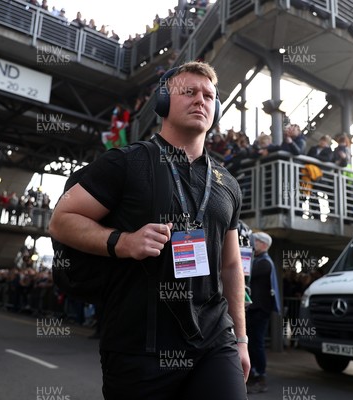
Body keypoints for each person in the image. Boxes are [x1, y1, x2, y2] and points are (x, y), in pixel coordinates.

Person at [49, 61, 249, 399]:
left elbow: (231, 266)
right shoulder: (125, 162)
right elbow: (61, 219)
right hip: (138, 346)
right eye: (189, 92)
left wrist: (240, 339)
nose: (201, 100)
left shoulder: (227, 183)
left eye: (209, 95)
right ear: (161, 103)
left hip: (214, 342)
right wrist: (123, 242)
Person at [246, 232, 281, 394]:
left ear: (265, 245)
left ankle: (261, 377)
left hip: (260, 310)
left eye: (256, 242)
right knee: (253, 344)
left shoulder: (264, 263)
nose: (253, 244)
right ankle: (255, 374)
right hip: (256, 309)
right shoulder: (261, 261)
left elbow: (247, 271)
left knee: (257, 344)